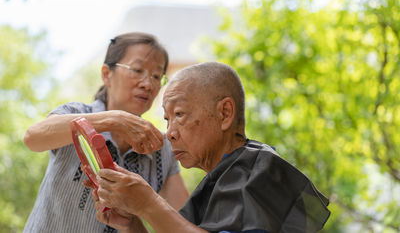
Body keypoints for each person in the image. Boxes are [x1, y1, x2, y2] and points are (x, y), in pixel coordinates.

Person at [94, 62, 331, 233]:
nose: (170, 133)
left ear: (224, 113)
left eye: (179, 114)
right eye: (168, 120)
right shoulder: (220, 178)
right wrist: (132, 223)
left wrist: (147, 203)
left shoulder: (258, 168)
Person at [23, 32, 189, 233]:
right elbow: (32, 138)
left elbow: (184, 224)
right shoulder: (75, 114)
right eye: (137, 70)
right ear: (106, 74)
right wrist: (114, 120)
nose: (148, 84)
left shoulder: (161, 150)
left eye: (156, 76)